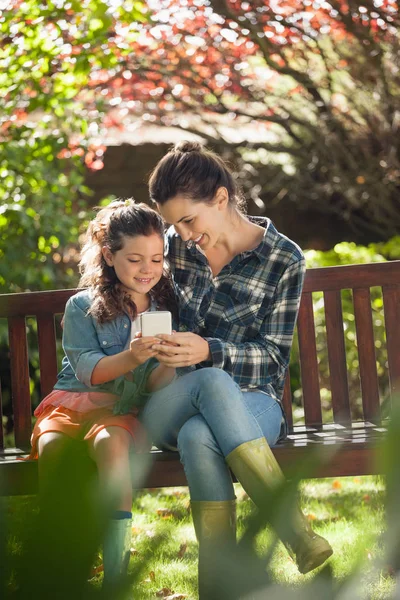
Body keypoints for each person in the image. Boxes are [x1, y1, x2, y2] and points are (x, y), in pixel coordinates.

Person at [141, 141, 333, 595]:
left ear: (222, 198)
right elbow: (123, 280)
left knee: (199, 436)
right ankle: (294, 531)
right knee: (206, 384)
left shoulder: (283, 259)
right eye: (175, 224)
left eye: (189, 220)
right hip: (176, 399)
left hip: (255, 402)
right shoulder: (171, 249)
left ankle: (217, 586)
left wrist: (209, 349)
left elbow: (272, 357)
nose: (183, 235)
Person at [28, 200, 176, 589]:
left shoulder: (167, 307)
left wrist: (170, 362)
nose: (148, 270)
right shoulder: (82, 306)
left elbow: (157, 384)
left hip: (120, 411)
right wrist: (131, 355)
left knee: (111, 447)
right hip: (71, 403)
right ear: (109, 256)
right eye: (135, 259)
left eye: (157, 259)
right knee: (54, 449)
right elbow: (88, 371)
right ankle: (59, 565)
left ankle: (116, 575)